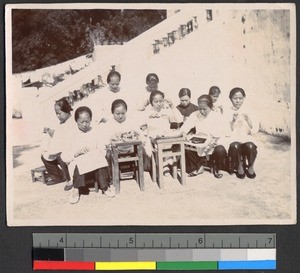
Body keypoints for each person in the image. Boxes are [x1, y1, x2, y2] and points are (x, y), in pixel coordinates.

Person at [61, 106, 115, 204]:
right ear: (76, 121)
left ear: (91, 119)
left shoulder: (95, 131)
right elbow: (64, 156)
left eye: (87, 121)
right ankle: (76, 189)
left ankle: (105, 187)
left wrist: (96, 153)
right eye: (82, 122)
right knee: (81, 163)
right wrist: (77, 153)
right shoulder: (71, 134)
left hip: (94, 161)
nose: (85, 124)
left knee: (99, 161)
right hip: (79, 162)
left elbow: (101, 148)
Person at [180, 95, 228, 178]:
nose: (202, 111)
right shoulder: (195, 114)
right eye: (200, 108)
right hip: (200, 140)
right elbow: (185, 127)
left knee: (220, 150)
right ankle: (198, 166)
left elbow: (223, 133)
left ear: (210, 107)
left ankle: (216, 168)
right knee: (186, 145)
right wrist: (184, 133)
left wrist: (214, 141)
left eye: (204, 109)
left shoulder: (217, 116)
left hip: (214, 140)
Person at [103, 99, 151, 181]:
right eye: (117, 114)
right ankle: (110, 177)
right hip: (116, 151)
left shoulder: (131, 121)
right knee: (107, 154)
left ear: (126, 112)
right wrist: (112, 139)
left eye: (123, 113)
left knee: (142, 149)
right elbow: (105, 141)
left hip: (130, 149)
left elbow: (140, 134)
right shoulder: (109, 124)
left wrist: (137, 135)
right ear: (112, 113)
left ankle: (145, 169)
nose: (120, 116)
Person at [141, 91, 183, 176]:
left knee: (175, 142)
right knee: (153, 146)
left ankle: (167, 162)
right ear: (151, 102)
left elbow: (179, 119)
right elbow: (142, 126)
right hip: (153, 139)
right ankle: (164, 164)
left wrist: (172, 106)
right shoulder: (148, 112)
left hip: (166, 138)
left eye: (161, 101)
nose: (159, 104)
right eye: (156, 102)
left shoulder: (167, 111)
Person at [225, 87, 259, 179]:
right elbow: (226, 130)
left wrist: (248, 119)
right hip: (233, 137)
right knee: (235, 146)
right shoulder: (227, 111)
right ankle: (240, 166)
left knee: (250, 146)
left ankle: (251, 166)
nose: (238, 101)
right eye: (235, 98)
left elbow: (255, 128)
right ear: (230, 98)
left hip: (246, 136)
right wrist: (232, 121)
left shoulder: (249, 110)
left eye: (240, 98)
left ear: (244, 98)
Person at [40, 98, 73, 190]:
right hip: (62, 146)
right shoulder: (62, 123)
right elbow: (59, 135)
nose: (58, 116)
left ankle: (69, 178)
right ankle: (58, 176)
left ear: (67, 110)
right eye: (56, 114)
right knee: (45, 156)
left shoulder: (72, 122)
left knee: (61, 155)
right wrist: (50, 132)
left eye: (59, 113)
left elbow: (67, 137)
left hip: (70, 148)